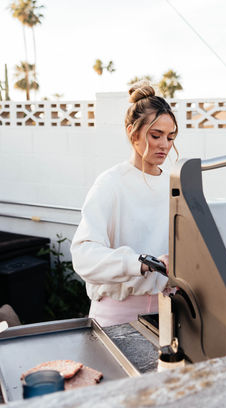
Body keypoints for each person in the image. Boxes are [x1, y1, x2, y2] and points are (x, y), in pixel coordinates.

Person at [70, 83, 178, 327]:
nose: (165, 145)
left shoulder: (174, 185)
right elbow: (83, 256)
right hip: (115, 316)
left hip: (167, 314)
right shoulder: (110, 184)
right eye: (156, 135)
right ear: (132, 132)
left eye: (170, 137)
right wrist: (141, 262)